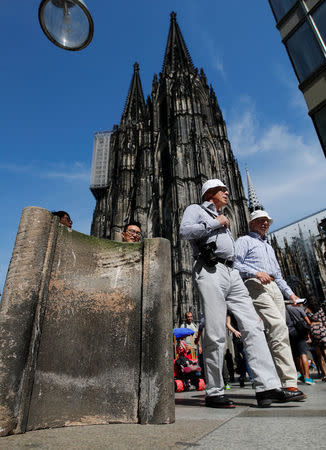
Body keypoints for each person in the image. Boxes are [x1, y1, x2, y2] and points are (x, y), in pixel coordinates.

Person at [179, 178, 304, 408]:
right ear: (210, 193)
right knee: (216, 331)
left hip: (232, 272)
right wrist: (215, 223)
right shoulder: (196, 210)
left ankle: (267, 388)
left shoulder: (225, 217)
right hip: (210, 269)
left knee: (254, 326)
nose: (227, 192)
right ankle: (215, 391)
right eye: (222, 190)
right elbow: (184, 231)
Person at [234, 210, 305, 397]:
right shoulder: (244, 241)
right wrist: (254, 272)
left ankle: (275, 382)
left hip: (273, 286)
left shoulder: (268, 247)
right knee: (278, 326)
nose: (265, 223)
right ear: (251, 223)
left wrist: (291, 295)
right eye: (260, 220)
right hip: (255, 284)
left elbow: (279, 275)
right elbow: (234, 263)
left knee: (277, 333)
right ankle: (290, 383)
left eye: (267, 221)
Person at [286, 304, 313, 385]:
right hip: (299, 332)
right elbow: (308, 322)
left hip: (289, 333)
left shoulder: (282, 309)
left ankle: (301, 373)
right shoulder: (297, 308)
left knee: (296, 355)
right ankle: (307, 377)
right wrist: (308, 332)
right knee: (303, 353)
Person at [305, 299, 326, 382]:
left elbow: (307, 323)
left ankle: (324, 373)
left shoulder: (307, 311)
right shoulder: (320, 310)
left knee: (319, 355)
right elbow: (324, 322)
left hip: (313, 331)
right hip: (322, 329)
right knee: (325, 351)